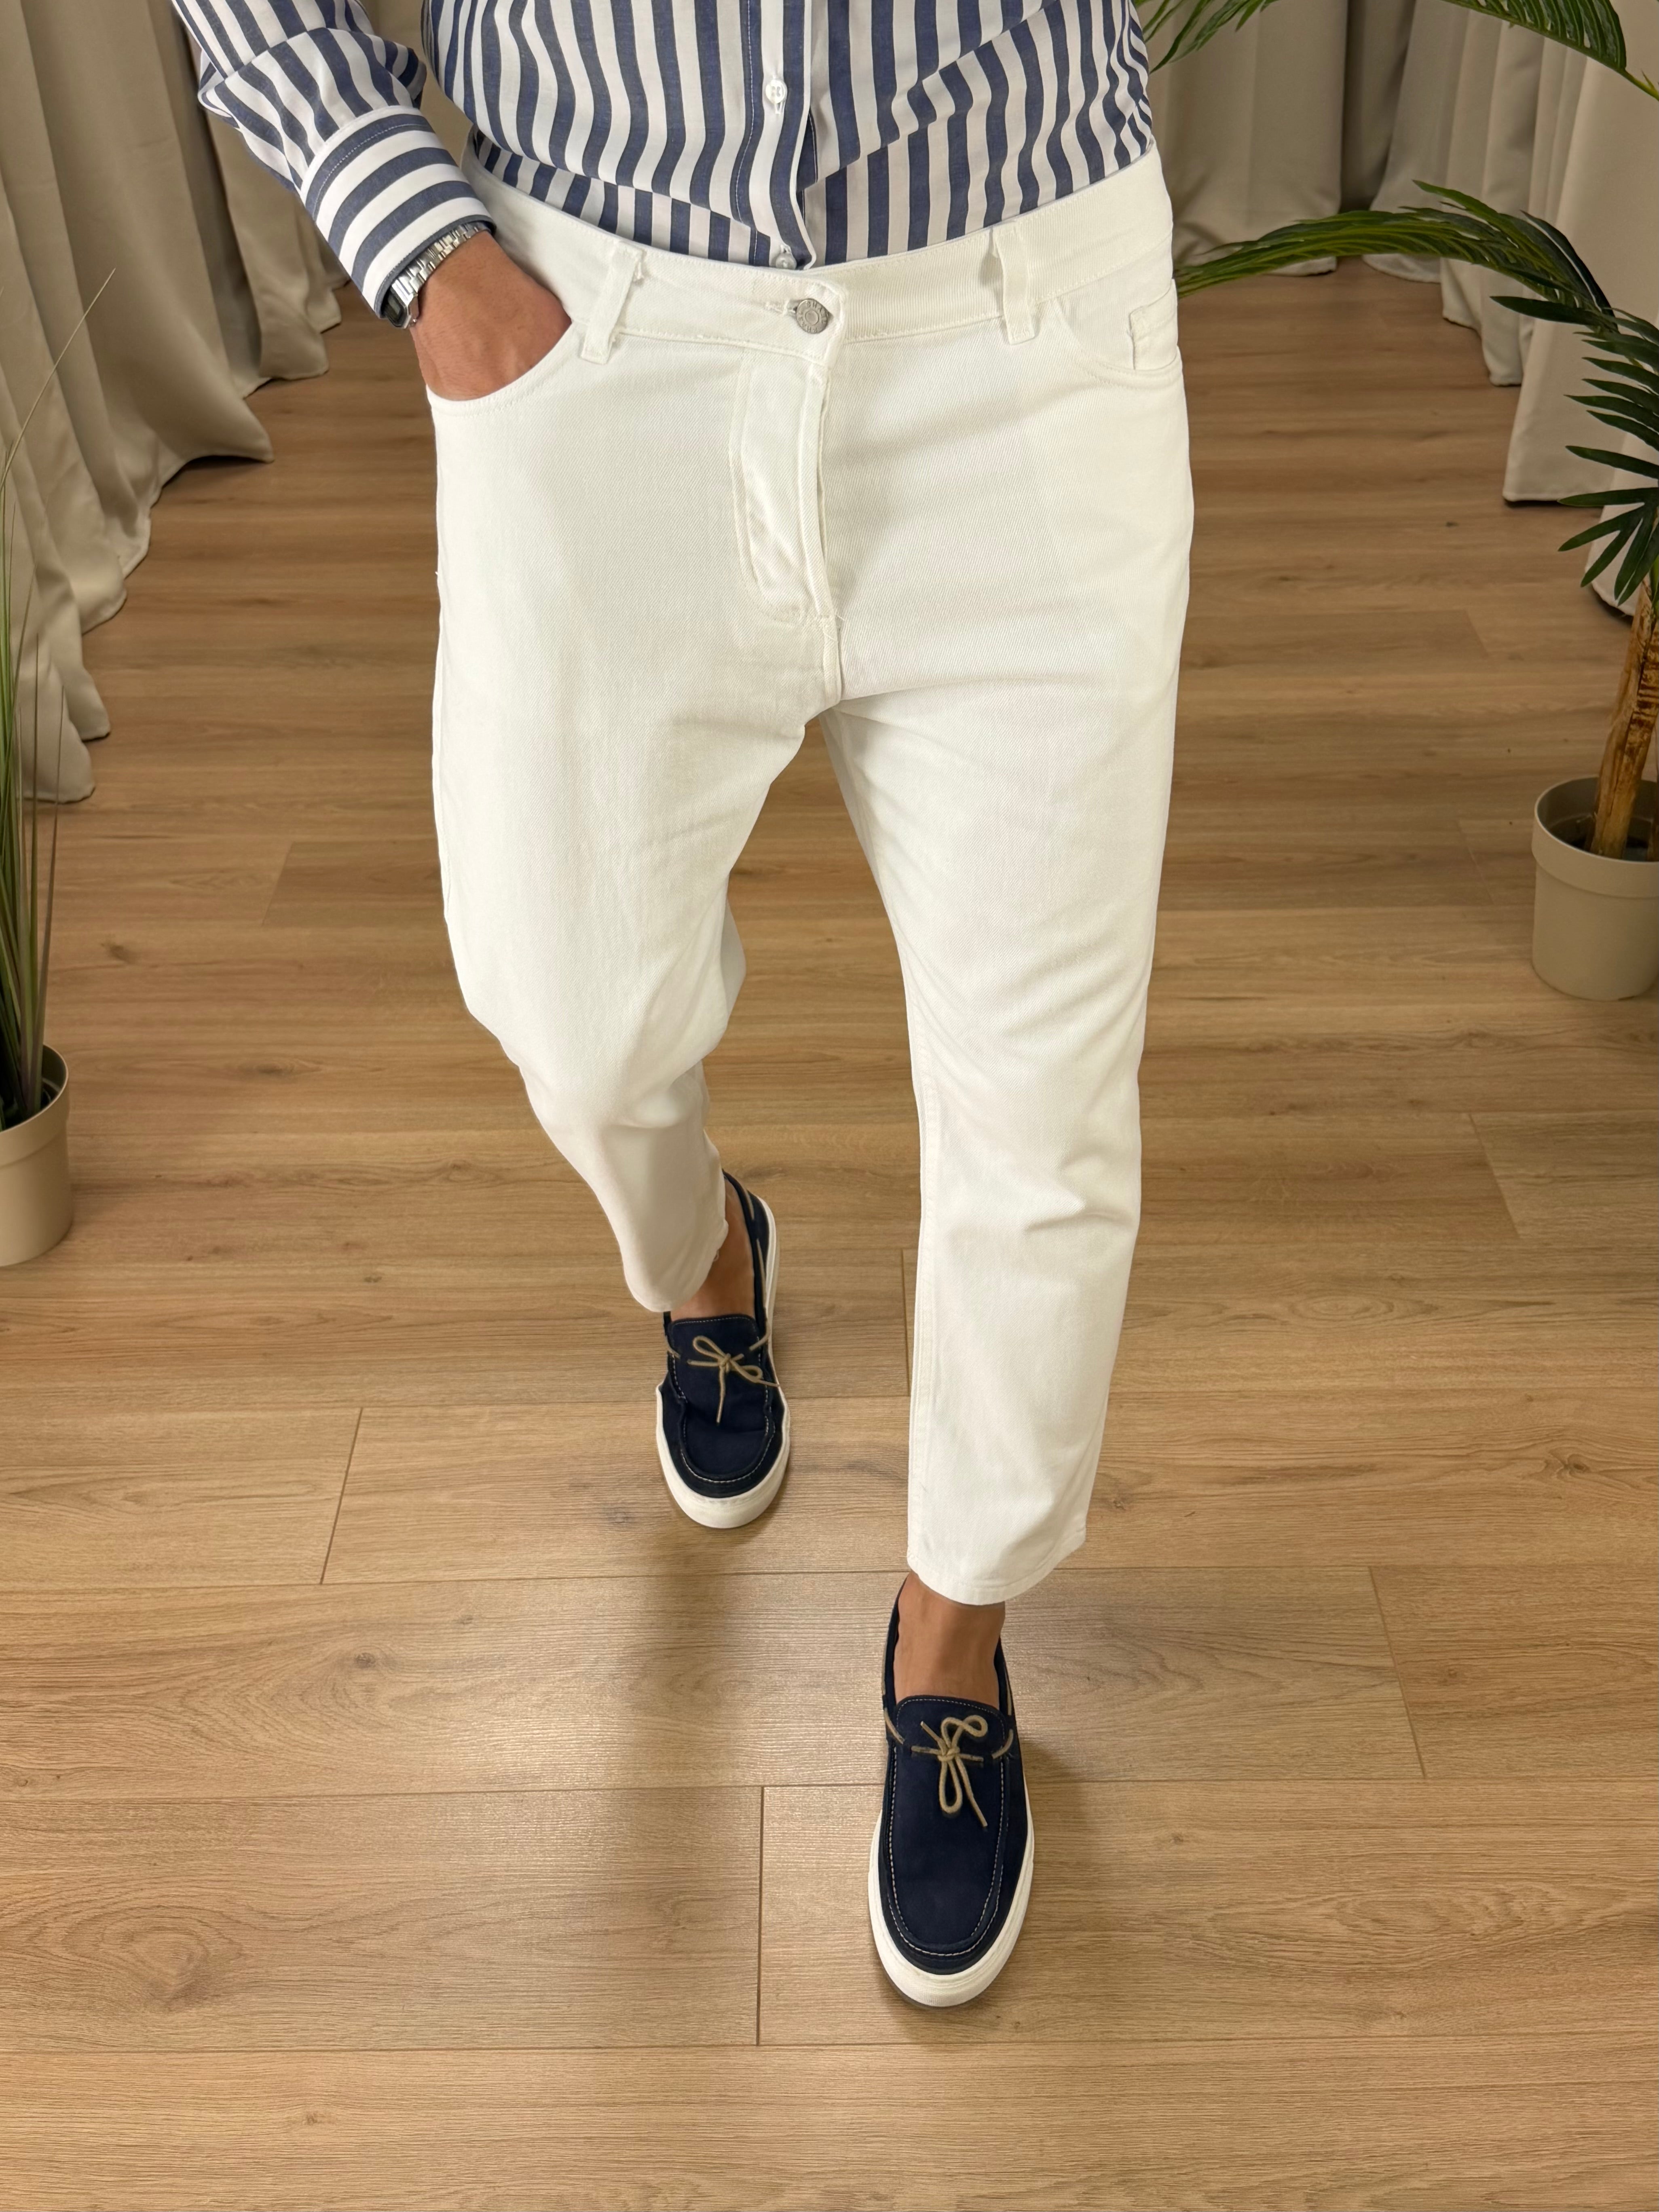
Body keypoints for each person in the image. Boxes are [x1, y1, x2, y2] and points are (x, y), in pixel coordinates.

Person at [173, 0, 1192, 2006]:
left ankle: (953, 1646)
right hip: (593, 318)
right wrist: (415, 237)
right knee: (571, 1011)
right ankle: (706, 1258)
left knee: (1046, 1112)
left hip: (1025, 323)